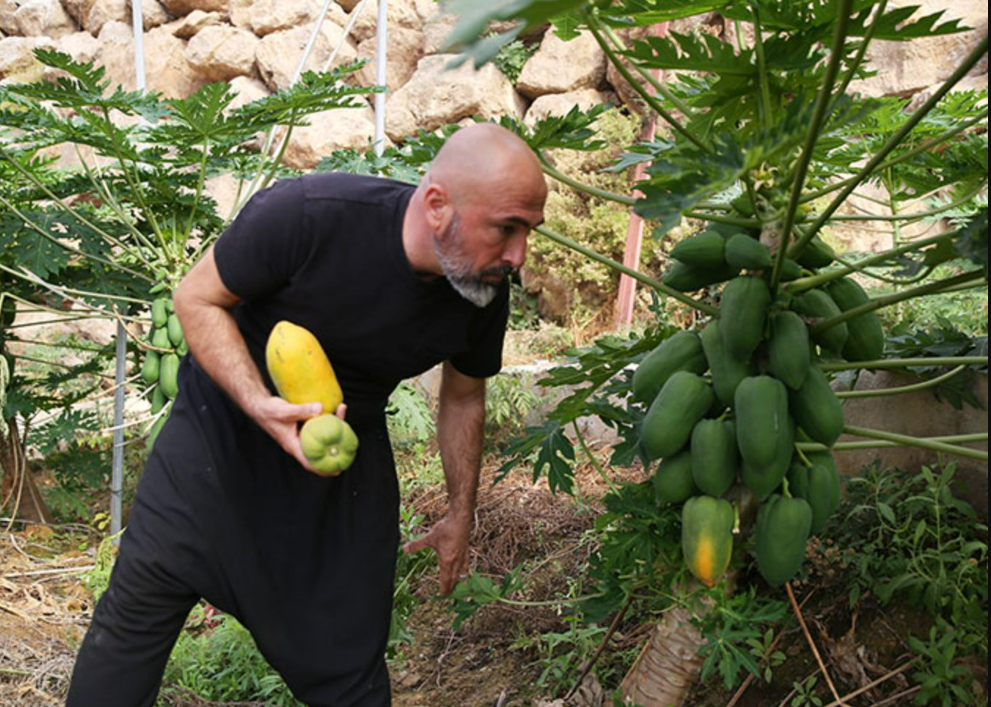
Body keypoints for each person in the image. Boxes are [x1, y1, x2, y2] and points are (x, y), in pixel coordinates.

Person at [65, 123, 548, 707]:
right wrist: (256, 400)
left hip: (339, 465)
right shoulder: (310, 215)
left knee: (348, 673)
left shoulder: (482, 286)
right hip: (218, 442)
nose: (519, 255)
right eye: (506, 228)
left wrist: (459, 510)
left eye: (528, 231)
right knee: (128, 637)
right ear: (437, 206)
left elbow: (464, 395)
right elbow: (196, 297)